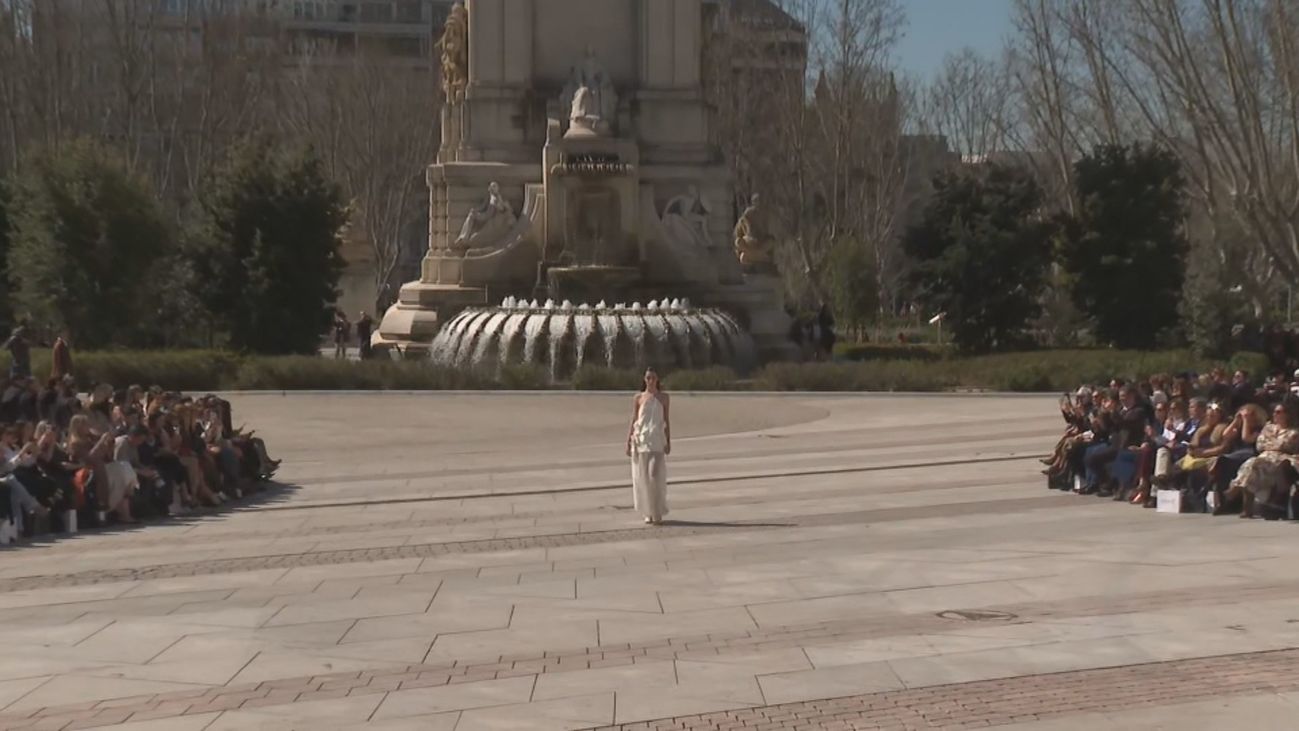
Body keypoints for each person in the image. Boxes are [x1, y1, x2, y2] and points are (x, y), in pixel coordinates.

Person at [1221, 403, 1299, 518]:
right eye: (1274, 412)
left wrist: (1271, 444)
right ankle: (1242, 500)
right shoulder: (1268, 428)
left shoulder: (1293, 432)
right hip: (1264, 459)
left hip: (1280, 460)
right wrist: (1273, 444)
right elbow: (1259, 445)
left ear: (1286, 414)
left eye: (1278, 412)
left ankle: (1238, 493)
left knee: (1253, 464)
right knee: (1252, 465)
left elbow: (1284, 446)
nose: (1275, 414)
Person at [626, 367, 670, 525]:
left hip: (657, 440)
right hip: (642, 441)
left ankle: (657, 510)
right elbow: (634, 419)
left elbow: (666, 420)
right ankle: (648, 512)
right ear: (645, 380)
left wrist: (668, 441)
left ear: (657, 380)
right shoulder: (638, 398)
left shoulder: (664, 397)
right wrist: (628, 440)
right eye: (648, 378)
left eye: (653, 378)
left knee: (654, 475)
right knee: (643, 478)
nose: (651, 381)